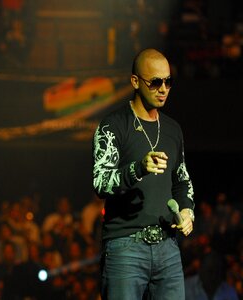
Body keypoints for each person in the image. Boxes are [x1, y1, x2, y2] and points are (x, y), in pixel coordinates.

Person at [92, 48, 195, 300]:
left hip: (168, 248)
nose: (163, 89)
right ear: (135, 81)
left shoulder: (173, 129)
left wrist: (186, 210)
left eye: (168, 81)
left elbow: (182, 181)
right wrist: (138, 168)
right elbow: (100, 182)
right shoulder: (113, 125)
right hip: (125, 247)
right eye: (155, 82)